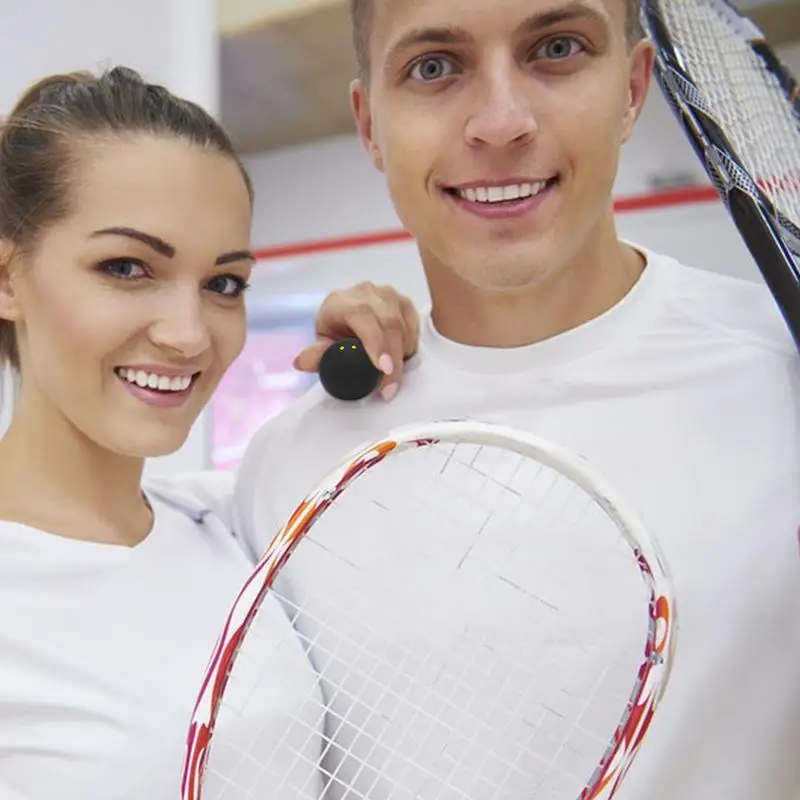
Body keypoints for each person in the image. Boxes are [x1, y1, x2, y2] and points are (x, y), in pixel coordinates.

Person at [230, 0, 800, 798]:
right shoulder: (284, 471)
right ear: (370, 126)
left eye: (556, 48)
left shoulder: (781, 374)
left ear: (634, 88)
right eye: (434, 66)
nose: (500, 123)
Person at [0, 66, 419, 799]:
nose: (190, 335)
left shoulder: (222, 526)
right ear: (8, 278)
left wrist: (382, 360)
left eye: (224, 283)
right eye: (127, 267)